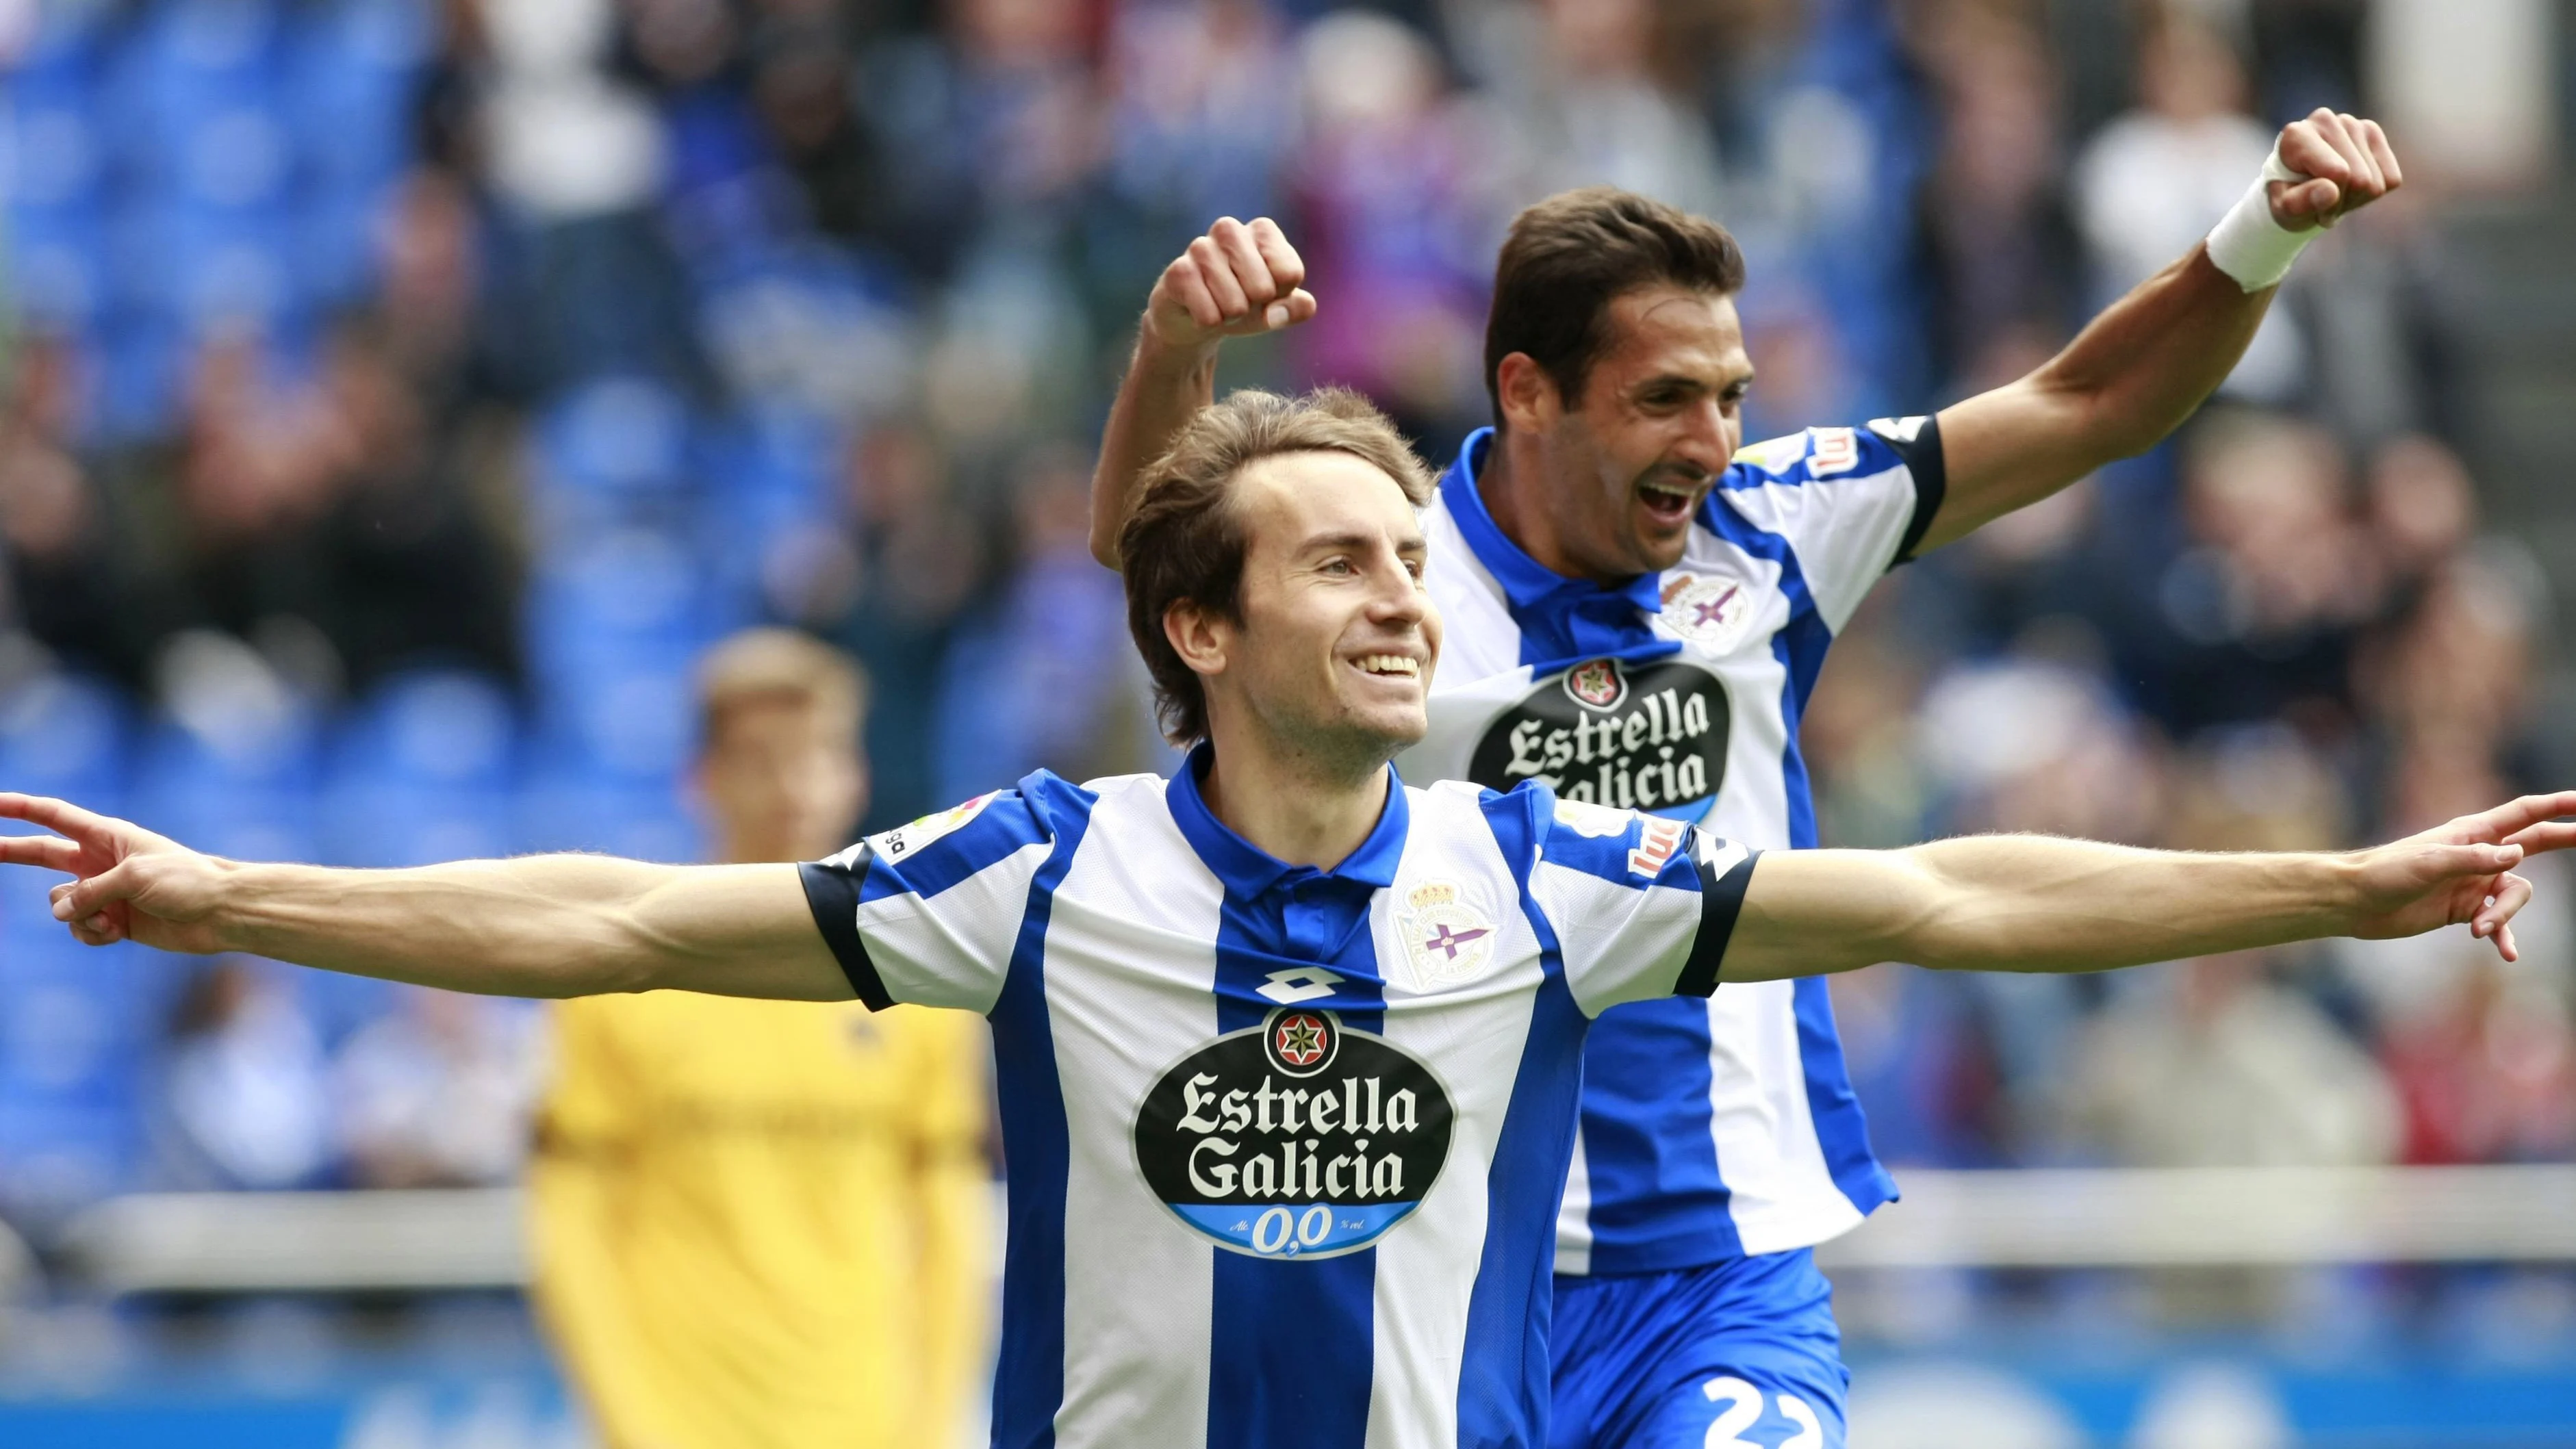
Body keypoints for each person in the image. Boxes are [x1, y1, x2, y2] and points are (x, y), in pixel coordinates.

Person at [7, 387, 2555, 1449]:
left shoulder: (1535, 881)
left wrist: (2348, 876)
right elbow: (623, 925)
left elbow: (1954, 886)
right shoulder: (1043, 877)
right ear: (1198, 631)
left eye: (1404, 555)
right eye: (1337, 557)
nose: (1406, 593)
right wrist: (235, 888)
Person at [1086, 112, 2403, 1448]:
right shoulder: (1395, 580)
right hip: (1451, 1277)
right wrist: (1176, 355)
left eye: (1731, 394)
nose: (1713, 440)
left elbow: (2089, 401)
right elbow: (1161, 561)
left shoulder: (1773, 528)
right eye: (1664, 398)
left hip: (1722, 1282)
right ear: (1528, 391)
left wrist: (2262, 231)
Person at [528, 628, 991, 1449]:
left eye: (818, 754)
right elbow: (570, 1220)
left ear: (856, 773)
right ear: (702, 778)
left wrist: (930, 1419)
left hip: (868, 1421)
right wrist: (629, 1418)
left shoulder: (920, 983)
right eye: (758, 757)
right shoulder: (624, 978)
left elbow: (949, 1220)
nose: (792, 785)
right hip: (675, 1423)